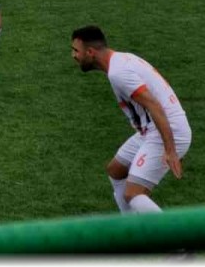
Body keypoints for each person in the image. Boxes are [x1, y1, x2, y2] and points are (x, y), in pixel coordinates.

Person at [70, 25, 191, 214]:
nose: (74, 55)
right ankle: (132, 233)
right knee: (116, 171)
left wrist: (170, 150)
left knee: (133, 194)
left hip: (167, 129)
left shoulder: (119, 73)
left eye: (76, 50)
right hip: (150, 129)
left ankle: (178, 240)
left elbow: (154, 106)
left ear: (91, 52)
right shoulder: (121, 60)